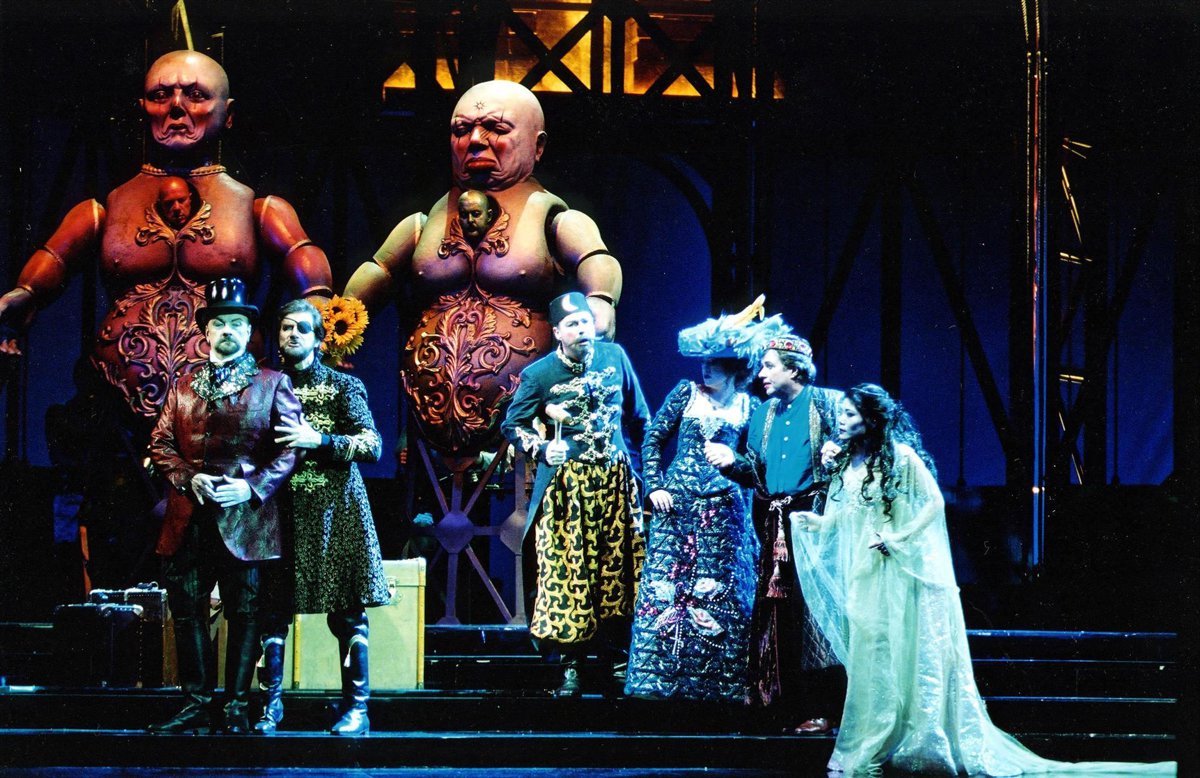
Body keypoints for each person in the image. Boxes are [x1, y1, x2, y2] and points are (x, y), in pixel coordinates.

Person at [0, 49, 332, 588]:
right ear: (143, 108)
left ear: (228, 113)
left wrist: (318, 302)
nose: (177, 107)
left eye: (195, 95)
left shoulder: (256, 207)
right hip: (121, 409)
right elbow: (52, 261)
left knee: (225, 546)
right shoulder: (107, 208)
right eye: (161, 95)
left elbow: (303, 257)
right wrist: (22, 296)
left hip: (228, 412)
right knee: (121, 540)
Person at [791, 384, 1175, 776]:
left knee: (898, 654)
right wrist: (815, 523)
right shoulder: (846, 462)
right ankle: (873, 738)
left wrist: (897, 537)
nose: (841, 420)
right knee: (870, 659)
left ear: (871, 419)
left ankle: (897, 739)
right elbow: (842, 515)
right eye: (841, 413)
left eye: (850, 413)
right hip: (865, 574)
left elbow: (933, 503)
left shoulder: (901, 458)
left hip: (895, 573)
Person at [344, 79, 623, 458]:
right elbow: (379, 272)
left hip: (524, 429)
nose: (475, 140)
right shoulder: (423, 225)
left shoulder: (552, 217)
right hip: (428, 429)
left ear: (538, 146)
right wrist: (335, 325)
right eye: (461, 130)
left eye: (496, 128)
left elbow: (595, 257)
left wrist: (601, 300)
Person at [147, 278, 302, 735]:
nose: (228, 330)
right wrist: (187, 476)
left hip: (246, 521)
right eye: (219, 324)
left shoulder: (272, 384)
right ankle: (196, 704)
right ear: (206, 332)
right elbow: (159, 442)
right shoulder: (183, 386)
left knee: (245, 614)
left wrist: (251, 488)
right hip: (189, 517)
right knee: (188, 612)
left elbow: (290, 449)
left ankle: (236, 706)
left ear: (249, 331)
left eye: (237, 323)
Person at [501, 291, 650, 697]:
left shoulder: (615, 357)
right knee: (568, 573)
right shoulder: (540, 374)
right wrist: (540, 447)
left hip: (615, 484)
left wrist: (643, 477)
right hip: (568, 489)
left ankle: (618, 661)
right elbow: (512, 424)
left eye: (585, 321)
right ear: (557, 332)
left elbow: (640, 419)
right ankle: (571, 666)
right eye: (572, 325)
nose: (582, 329)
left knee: (619, 572)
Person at [255, 299, 391, 736]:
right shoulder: (263, 385)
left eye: (302, 329)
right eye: (286, 328)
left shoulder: (342, 386)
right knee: (271, 611)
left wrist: (320, 440)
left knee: (347, 613)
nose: (292, 334)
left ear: (318, 339)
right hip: (280, 512)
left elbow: (372, 444)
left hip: (336, 510)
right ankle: (269, 708)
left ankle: (357, 709)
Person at [625, 306, 767, 701]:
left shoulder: (749, 407)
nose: (706, 369)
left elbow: (756, 463)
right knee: (670, 586)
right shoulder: (685, 393)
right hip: (677, 507)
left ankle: (719, 685)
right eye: (704, 362)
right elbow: (653, 439)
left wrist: (733, 460)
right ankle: (662, 682)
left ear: (735, 367)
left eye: (715, 363)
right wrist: (655, 486)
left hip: (724, 511)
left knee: (721, 589)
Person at [704, 333, 843, 732]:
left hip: (814, 520)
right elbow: (754, 471)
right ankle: (779, 705)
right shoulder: (763, 413)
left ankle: (823, 707)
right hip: (774, 521)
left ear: (794, 369)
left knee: (814, 613)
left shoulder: (827, 403)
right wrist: (731, 462)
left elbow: (854, 449)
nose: (761, 374)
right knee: (777, 613)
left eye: (769, 366)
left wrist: (838, 451)